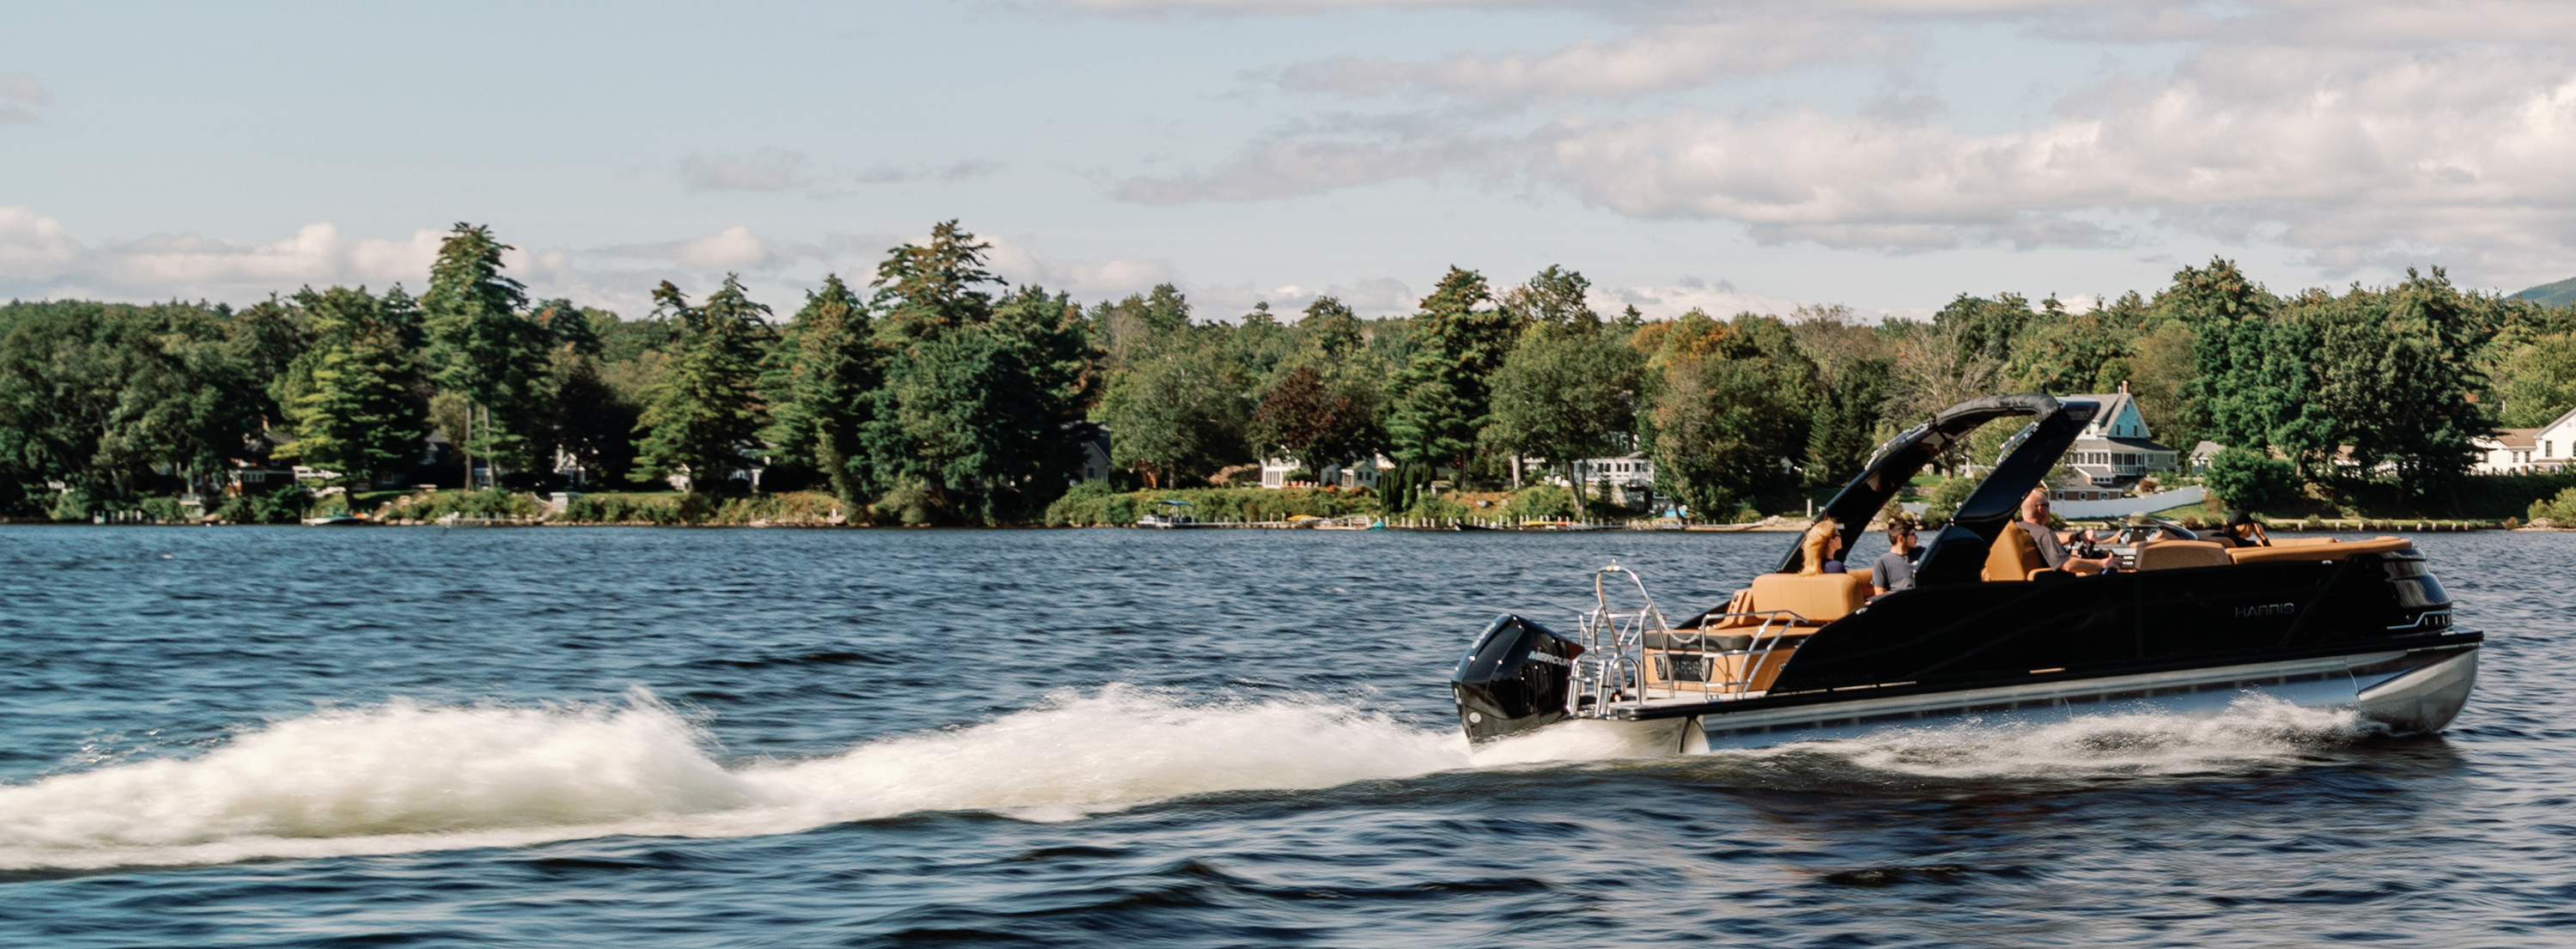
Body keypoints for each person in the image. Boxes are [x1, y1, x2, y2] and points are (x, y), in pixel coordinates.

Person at [2020, 490, 2115, 575]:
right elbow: (2067, 565)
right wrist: (2103, 563)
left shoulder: (2021, 528)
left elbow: (2050, 539)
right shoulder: (2043, 533)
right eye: (2047, 505)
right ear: (2041, 509)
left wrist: (2077, 537)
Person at [1871, 515, 1921, 597]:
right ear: (1901, 539)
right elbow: (1880, 594)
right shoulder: (1882, 563)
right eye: (1913, 534)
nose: (1917, 538)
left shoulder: (1922, 553)